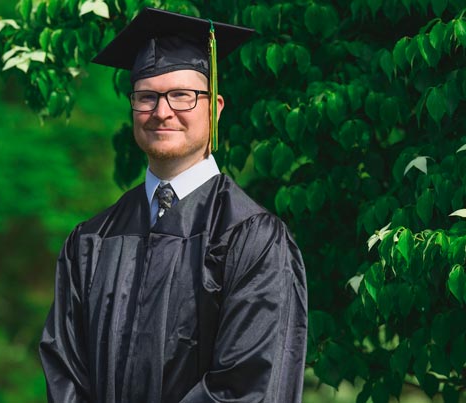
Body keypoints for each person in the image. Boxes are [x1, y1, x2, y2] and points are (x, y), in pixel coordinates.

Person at [39, 7, 308, 403]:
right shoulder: (90, 241)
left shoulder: (253, 240)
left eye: (181, 95)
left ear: (214, 107)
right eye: (147, 97)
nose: (162, 111)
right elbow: (65, 376)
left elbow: (247, 387)